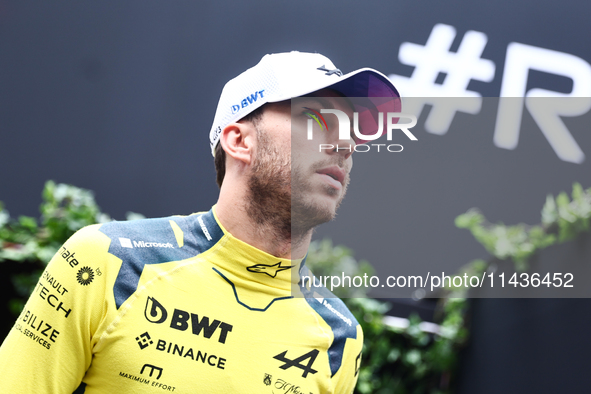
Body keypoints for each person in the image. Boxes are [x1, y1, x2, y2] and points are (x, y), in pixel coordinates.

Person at [0, 51, 400, 393]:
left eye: (353, 130)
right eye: (316, 119)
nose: (345, 145)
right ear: (240, 140)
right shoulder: (105, 261)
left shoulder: (340, 334)